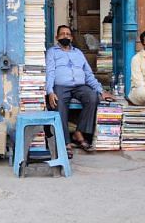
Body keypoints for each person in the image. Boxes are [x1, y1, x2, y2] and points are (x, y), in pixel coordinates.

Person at [46, 25, 113, 158]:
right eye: (62, 34)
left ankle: (79, 132)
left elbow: (88, 74)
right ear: (57, 37)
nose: (65, 36)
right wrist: (50, 91)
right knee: (59, 105)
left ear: (71, 37)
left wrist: (100, 90)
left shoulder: (78, 53)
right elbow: (50, 72)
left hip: (79, 86)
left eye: (68, 34)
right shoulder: (52, 52)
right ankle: (65, 142)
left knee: (93, 97)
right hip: (61, 86)